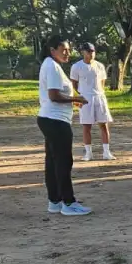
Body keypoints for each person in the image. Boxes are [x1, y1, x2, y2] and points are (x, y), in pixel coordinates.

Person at [37, 36, 90, 215]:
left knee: (53, 162)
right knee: (63, 162)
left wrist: (72, 101)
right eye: (64, 50)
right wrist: (76, 98)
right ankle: (68, 202)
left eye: (68, 50)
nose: (68, 53)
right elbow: (54, 96)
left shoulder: (50, 65)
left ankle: (55, 201)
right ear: (53, 50)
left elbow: (56, 95)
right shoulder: (52, 66)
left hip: (50, 118)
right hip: (55, 120)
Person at [70, 42, 114, 162]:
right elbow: (74, 83)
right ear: (83, 52)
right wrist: (80, 95)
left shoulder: (99, 66)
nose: (91, 54)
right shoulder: (76, 67)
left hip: (99, 96)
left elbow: (102, 82)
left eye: (93, 51)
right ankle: (88, 153)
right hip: (85, 97)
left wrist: (100, 93)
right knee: (86, 126)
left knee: (103, 124)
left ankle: (106, 152)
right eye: (88, 51)